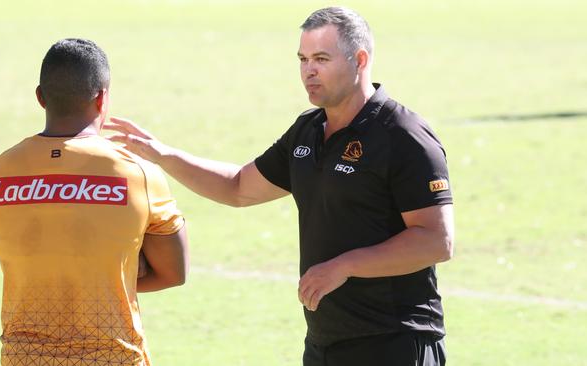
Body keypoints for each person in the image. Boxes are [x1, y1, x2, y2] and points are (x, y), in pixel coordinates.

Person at [105, 6, 453, 366]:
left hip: (394, 341)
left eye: (321, 58)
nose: (308, 71)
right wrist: (163, 155)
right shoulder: (307, 130)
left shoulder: (403, 135)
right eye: (302, 59)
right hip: (324, 343)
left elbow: (436, 240)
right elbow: (239, 187)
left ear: (360, 60)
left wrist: (345, 265)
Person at [0, 38, 188, 366]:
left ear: (40, 97)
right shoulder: (137, 171)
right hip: (113, 356)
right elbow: (173, 273)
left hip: (22, 358)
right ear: (102, 98)